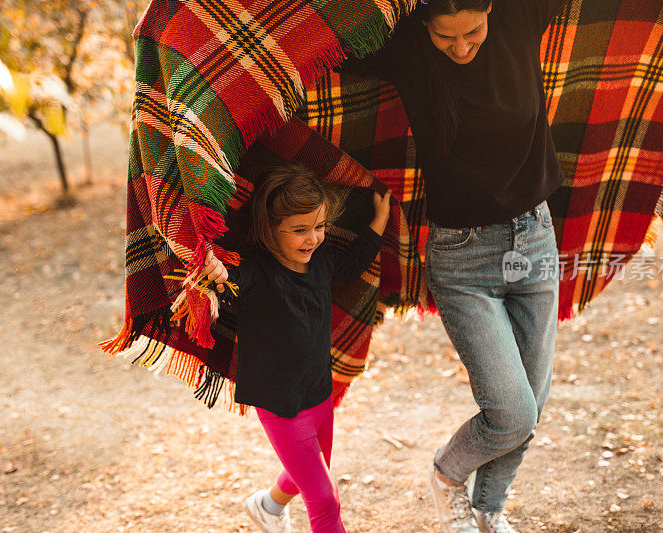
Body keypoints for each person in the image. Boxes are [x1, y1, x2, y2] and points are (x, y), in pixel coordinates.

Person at [339, 1, 569, 531]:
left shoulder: (521, 15)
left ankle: (489, 509)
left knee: (531, 405)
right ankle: (447, 475)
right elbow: (330, 37)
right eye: (447, 38)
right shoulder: (406, 48)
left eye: (474, 31)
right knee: (511, 413)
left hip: (534, 240)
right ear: (424, 24)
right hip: (462, 259)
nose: (462, 47)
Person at [200, 161, 391, 533]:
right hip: (282, 406)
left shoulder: (319, 261)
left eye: (318, 227)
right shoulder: (257, 271)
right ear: (270, 230)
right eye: (299, 230)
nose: (313, 239)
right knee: (324, 499)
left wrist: (379, 221)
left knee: (312, 469)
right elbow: (231, 279)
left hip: (320, 391)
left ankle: (268, 506)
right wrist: (220, 273)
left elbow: (351, 265)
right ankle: (271, 506)